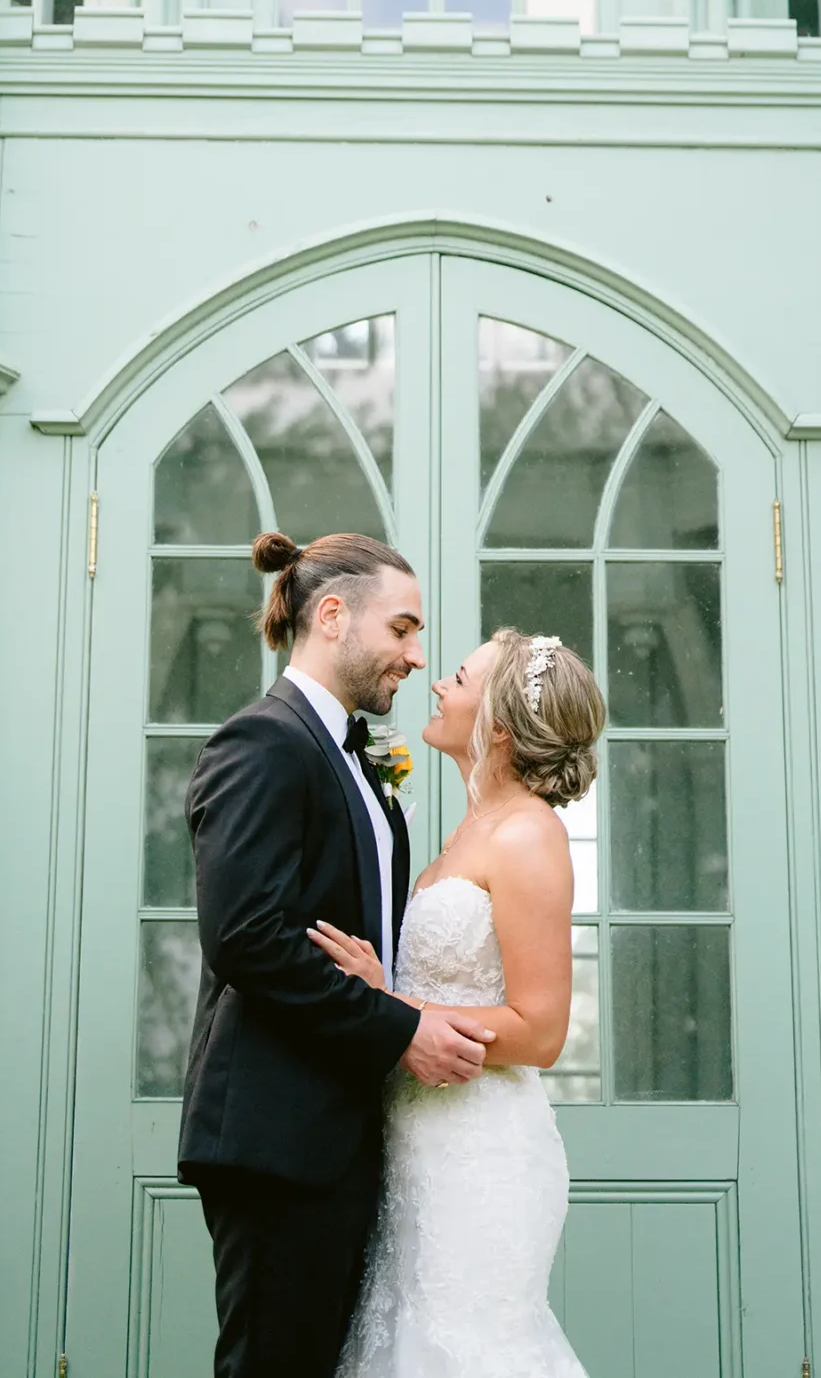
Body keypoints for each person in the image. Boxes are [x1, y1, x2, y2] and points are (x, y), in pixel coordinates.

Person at [179, 529, 497, 1378]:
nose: (414, 653)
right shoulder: (262, 743)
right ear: (330, 616)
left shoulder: (350, 755)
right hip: (278, 1134)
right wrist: (399, 1030)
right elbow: (246, 938)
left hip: (341, 1133)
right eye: (400, 629)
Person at [313, 624, 606, 1378]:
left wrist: (393, 1007)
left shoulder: (526, 836)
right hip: (417, 1142)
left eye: (458, 678)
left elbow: (539, 1033)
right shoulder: (463, 830)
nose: (436, 684)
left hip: (482, 1154)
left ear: (499, 726)